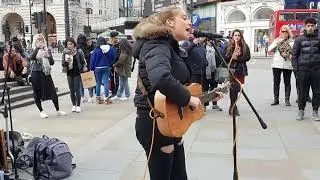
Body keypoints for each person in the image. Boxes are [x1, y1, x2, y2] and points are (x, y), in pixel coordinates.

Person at [132, 7, 223, 180]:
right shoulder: (156, 44)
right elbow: (161, 78)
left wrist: (207, 97)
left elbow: (176, 84)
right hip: (154, 122)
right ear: (169, 23)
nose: (189, 22)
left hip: (168, 119)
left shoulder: (168, 46)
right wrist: (188, 98)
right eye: (184, 18)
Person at [29, 34, 66, 118]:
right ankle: (41, 111)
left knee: (53, 91)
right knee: (37, 93)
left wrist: (48, 57)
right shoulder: (32, 49)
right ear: (35, 41)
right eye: (38, 40)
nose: (40, 41)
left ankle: (58, 110)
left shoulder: (47, 49)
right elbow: (32, 57)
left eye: (41, 40)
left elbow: (52, 62)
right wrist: (38, 48)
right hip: (36, 73)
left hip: (46, 73)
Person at [292, 18, 320, 121]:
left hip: (316, 70)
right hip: (303, 70)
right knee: (302, 92)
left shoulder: (319, 38)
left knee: (317, 92)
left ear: (315, 26)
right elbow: (294, 55)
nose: (310, 27)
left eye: (312, 25)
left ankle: (315, 111)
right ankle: (301, 111)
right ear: (305, 26)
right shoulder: (299, 39)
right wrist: (296, 70)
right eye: (308, 25)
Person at [225, 29, 251, 116]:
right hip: (232, 70)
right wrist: (232, 56)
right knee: (233, 89)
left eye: (238, 35)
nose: (237, 37)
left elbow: (247, 57)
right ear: (232, 36)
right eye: (235, 35)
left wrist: (238, 58)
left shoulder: (244, 46)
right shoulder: (228, 45)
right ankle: (233, 107)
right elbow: (225, 57)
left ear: (241, 36)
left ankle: (233, 106)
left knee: (238, 89)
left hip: (240, 70)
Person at [268, 25, 294, 106]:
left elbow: (295, 54)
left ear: (289, 32)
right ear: (280, 32)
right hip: (277, 64)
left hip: (287, 64)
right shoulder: (277, 40)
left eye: (286, 31)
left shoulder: (292, 42)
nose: (284, 33)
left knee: (287, 82)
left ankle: (287, 100)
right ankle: (276, 99)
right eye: (283, 31)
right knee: (276, 82)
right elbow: (269, 50)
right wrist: (277, 43)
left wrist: (289, 56)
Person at [62, 37, 87, 113]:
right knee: (71, 90)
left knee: (77, 89)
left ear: (74, 44)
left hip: (77, 72)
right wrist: (66, 62)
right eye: (68, 44)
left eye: (71, 44)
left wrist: (84, 68)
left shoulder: (79, 51)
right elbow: (63, 64)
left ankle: (78, 105)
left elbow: (83, 61)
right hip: (69, 73)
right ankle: (73, 105)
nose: (69, 46)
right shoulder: (65, 52)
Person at [90, 37, 115, 104]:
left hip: (97, 68)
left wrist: (91, 68)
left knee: (98, 82)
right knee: (106, 82)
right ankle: (107, 98)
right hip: (106, 67)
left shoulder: (96, 50)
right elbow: (113, 56)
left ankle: (98, 99)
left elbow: (92, 60)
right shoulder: (109, 48)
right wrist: (110, 64)